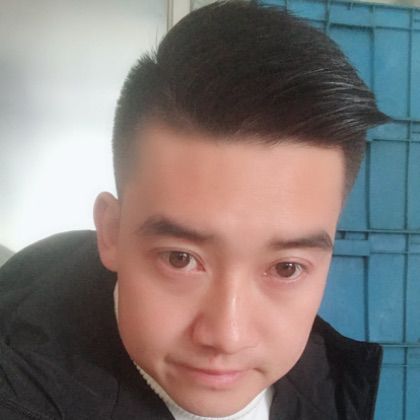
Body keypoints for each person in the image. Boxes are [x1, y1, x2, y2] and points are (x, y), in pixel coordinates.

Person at [0, 1, 389, 419]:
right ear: (111, 232)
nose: (227, 336)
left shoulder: (327, 374)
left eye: (286, 268)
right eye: (180, 259)